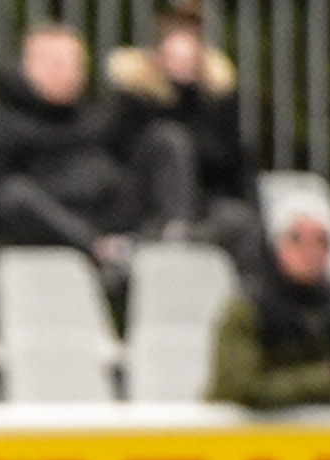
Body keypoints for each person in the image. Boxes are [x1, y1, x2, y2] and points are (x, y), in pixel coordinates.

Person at [0, 22, 197, 289]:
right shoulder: (1, 127)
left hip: (111, 210)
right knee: (14, 195)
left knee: (166, 139)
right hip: (57, 225)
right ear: (26, 65)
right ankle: (104, 252)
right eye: (54, 63)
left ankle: (174, 238)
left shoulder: (94, 116)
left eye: (74, 64)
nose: (66, 72)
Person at [104, 3, 264, 280]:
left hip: (206, 212)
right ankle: (173, 231)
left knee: (240, 220)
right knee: (170, 141)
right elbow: (124, 162)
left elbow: (237, 168)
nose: (181, 64)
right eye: (174, 55)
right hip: (148, 212)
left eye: (188, 56)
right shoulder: (136, 104)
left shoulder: (219, 105)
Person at [208, 196, 330, 408]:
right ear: (277, 245)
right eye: (296, 239)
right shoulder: (247, 307)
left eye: (321, 241)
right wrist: (319, 377)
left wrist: (279, 383)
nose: (310, 252)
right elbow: (241, 390)